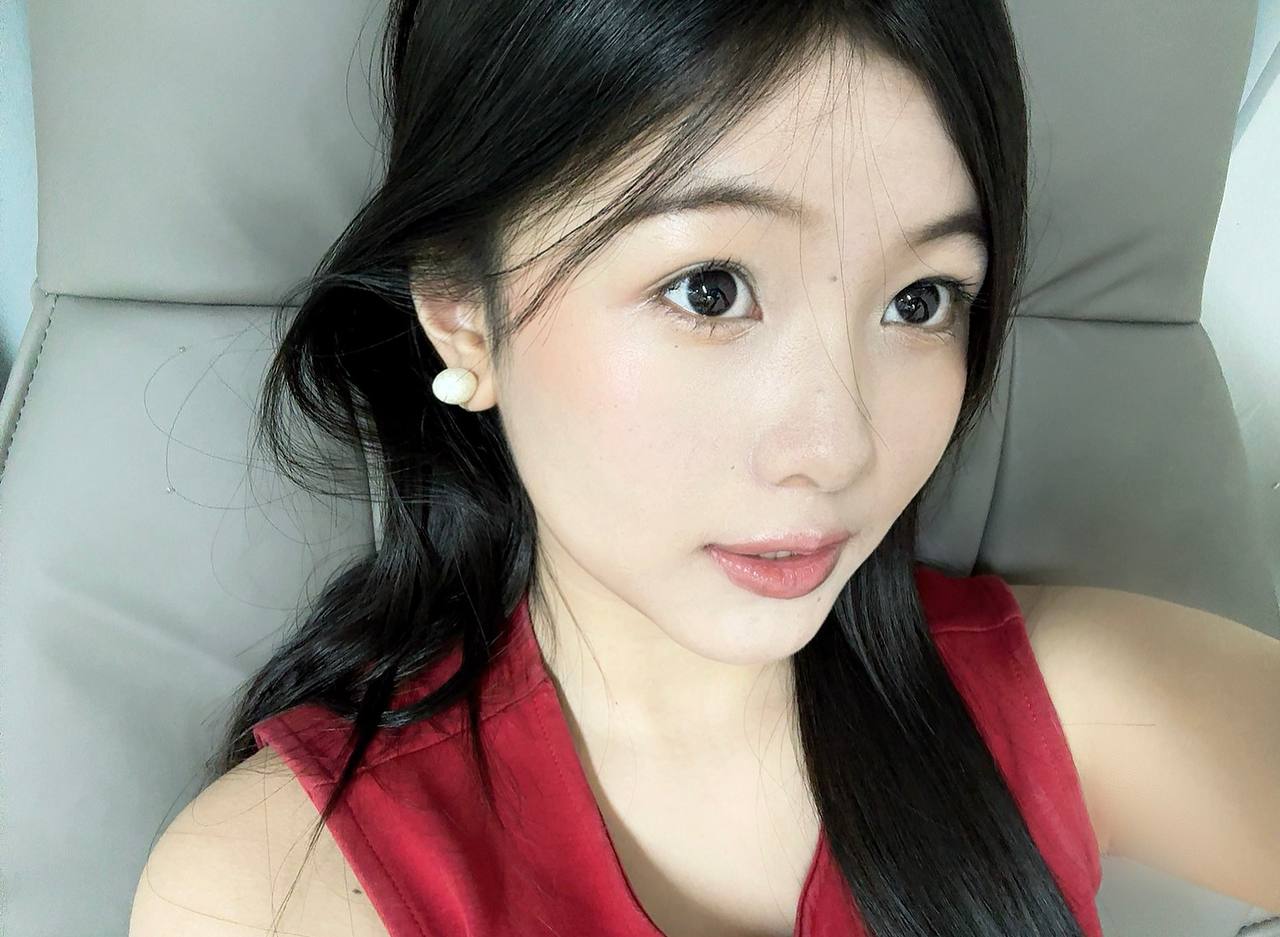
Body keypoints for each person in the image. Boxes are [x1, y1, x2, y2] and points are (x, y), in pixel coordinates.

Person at [128, 1, 1109, 935]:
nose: (837, 449)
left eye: (920, 299)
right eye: (709, 290)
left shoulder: (1069, 699)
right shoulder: (274, 885)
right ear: (464, 314)